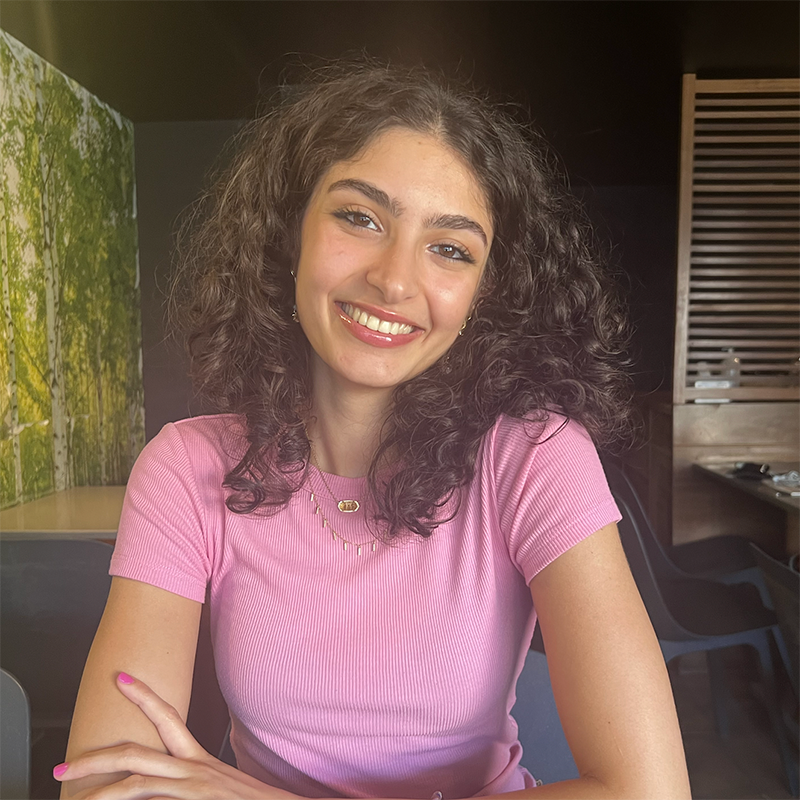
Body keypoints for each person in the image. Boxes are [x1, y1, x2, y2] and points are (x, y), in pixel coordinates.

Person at [57, 62, 690, 800]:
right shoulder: (186, 467)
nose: (395, 280)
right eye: (360, 217)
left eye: (450, 249)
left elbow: (650, 792)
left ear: (487, 294)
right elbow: (108, 787)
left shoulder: (536, 458)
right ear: (288, 230)